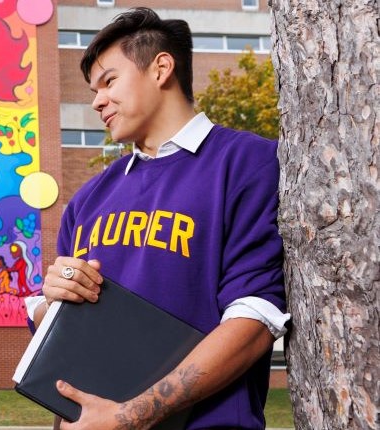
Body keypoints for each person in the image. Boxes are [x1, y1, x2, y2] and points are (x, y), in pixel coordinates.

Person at [27, 7, 288, 429]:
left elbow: (255, 318)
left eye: (109, 81)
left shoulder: (249, 163)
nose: (96, 101)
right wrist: (52, 299)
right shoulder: (88, 198)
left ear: (161, 68)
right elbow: (68, 330)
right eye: (93, 89)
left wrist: (131, 416)